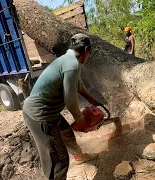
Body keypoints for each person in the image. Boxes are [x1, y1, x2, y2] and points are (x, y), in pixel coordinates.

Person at [23, 33, 100, 179]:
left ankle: (79, 157)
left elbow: (78, 87)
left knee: (67, 133)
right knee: (59, 161)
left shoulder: (66, 60)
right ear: (86, 49)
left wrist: (93, 101)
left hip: (46, 111)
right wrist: (80, 119)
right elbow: (70, 100)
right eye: (89, 53)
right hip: (41, 116)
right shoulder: (72, 64)